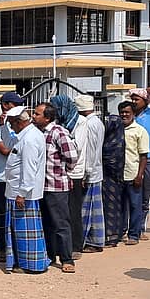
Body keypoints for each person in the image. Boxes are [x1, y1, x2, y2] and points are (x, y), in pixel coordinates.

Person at [3, 106, 50, 273]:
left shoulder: (29, 139)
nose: (10, 127)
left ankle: (32, 265)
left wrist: (22, 193)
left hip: (23, 194)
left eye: (11, 124)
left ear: (18, 122)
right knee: (19, 231)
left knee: (27, 233)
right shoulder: (25, 136)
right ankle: (21, 262)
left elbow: (30, 169)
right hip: (17, 191)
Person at [32, 103, 78, 273]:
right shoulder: (37, 133)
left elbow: (72, 157)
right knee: (46, 223)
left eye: (37, 114)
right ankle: (49, 256)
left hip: (56, 186)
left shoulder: (58, 132)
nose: (34, 116)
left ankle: (67, 258)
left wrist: (65, 172)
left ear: (47, 117)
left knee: (61, 224)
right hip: (41, 187)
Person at [0, 92, 23, 261]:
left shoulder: (20, 124)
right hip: (3, 177)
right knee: (2, 215)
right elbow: (4, 150)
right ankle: (2, 247)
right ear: (6, 105)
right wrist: (20, 149)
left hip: (19, 178)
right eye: (14, 105)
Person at [52, 95, 86, 260]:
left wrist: (70, 170)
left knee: (73, 211)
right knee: (61, 213)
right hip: (61, 174)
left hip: (75, 172)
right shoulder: (59, 125)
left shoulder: (80, 123)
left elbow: (76, 151)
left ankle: (75, 246)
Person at [114, 101, 149, 246]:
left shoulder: (139, 131)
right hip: (117, 175)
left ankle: (134, 234)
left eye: (127, 112)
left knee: (135, 205)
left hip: (133, 173)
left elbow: (143, 155)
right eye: (122, 112)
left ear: (133, 113)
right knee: (120, 206)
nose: (124, 114)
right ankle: (120, 232)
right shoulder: (115, 129)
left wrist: (139, 175)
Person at [75, 95, 105, 253]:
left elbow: (90, 151)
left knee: (87, 209)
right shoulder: (97, 122)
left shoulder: (89, 124)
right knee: (94, 209)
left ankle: (89, 240)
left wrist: (86, 174)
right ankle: (95, 240)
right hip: (95, 171)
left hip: (90, 172)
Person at [129, 88, 150, 241]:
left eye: (137, 99)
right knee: (135, 196)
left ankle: (140, 227)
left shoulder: (149, 115)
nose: (134, 102)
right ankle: (134, 228)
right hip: (132, 160)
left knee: (144, 196)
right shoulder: (129, 116)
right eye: (133, 99)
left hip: (148, 160)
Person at [102, 113, 126, 247]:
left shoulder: (115, 143)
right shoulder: (111, 139)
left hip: (113, 178)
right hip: (108, 178)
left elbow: (114, 159)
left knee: (113, 207)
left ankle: (112, 237)